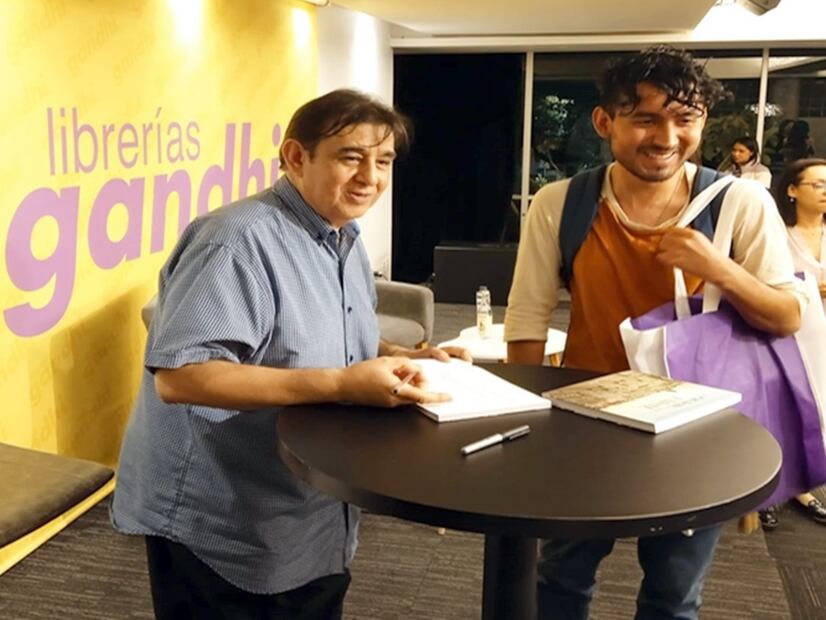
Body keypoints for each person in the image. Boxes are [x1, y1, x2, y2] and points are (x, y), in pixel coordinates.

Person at [110, 89, 469, 619]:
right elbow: (182, 377)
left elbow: (336, 328)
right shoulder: (235, 240)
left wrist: (406, 355)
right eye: (351, 157)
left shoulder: (342, 234)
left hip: (308, 505)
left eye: (384, 160)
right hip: (222, 517)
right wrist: (344, 386)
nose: (371, 176)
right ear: (297, 157)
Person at [504, 45, 808, 619]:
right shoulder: (561, 204)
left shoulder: (739, 203)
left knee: (674, 592)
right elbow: (527, 319)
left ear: (702, 123)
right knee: (561, 577)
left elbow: (787, 315)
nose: (665, 136)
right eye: (645, 117)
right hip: (581, 425)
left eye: (684, 119)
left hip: (700, 430)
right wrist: (528, 427)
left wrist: (717, 267)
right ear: (605, 122)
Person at [758, 157, 826, 531]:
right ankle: (771, 489)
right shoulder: (777, 236)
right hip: (789, 336)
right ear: (792, 190)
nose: (825, 191)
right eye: (817, 184)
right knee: (784, 409)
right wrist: (808, 290)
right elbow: (760, 285)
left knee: (819, 413)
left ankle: (803, 486)